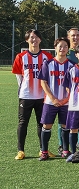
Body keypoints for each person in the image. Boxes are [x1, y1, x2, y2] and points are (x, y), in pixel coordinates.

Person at [13, 29, 53, 160]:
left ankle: (43, 150)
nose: (34, 40)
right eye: (31, 37)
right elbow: (19, 76)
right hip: (26, 96)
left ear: (40, 40)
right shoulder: (21, 56)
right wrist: (24, 89)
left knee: (42, 123)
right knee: (23, 122)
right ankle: (20, 150)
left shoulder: (47, 56)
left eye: (36, 37)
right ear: (26, 40)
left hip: (43, 96)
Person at [38, 37, 72, 160]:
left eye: (65, 46)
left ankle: (65, 150)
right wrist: (53, 98)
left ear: (68, 49)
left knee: (65, 126)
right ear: (55, 47)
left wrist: (65, 99)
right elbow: (43, 82)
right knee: (47, 126)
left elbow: (73, 85)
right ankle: (44, 151)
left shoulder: (71, 65)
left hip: (66, 102)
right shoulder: (48, 63)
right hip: (50, 102)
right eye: (60, 46)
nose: (62, 49)